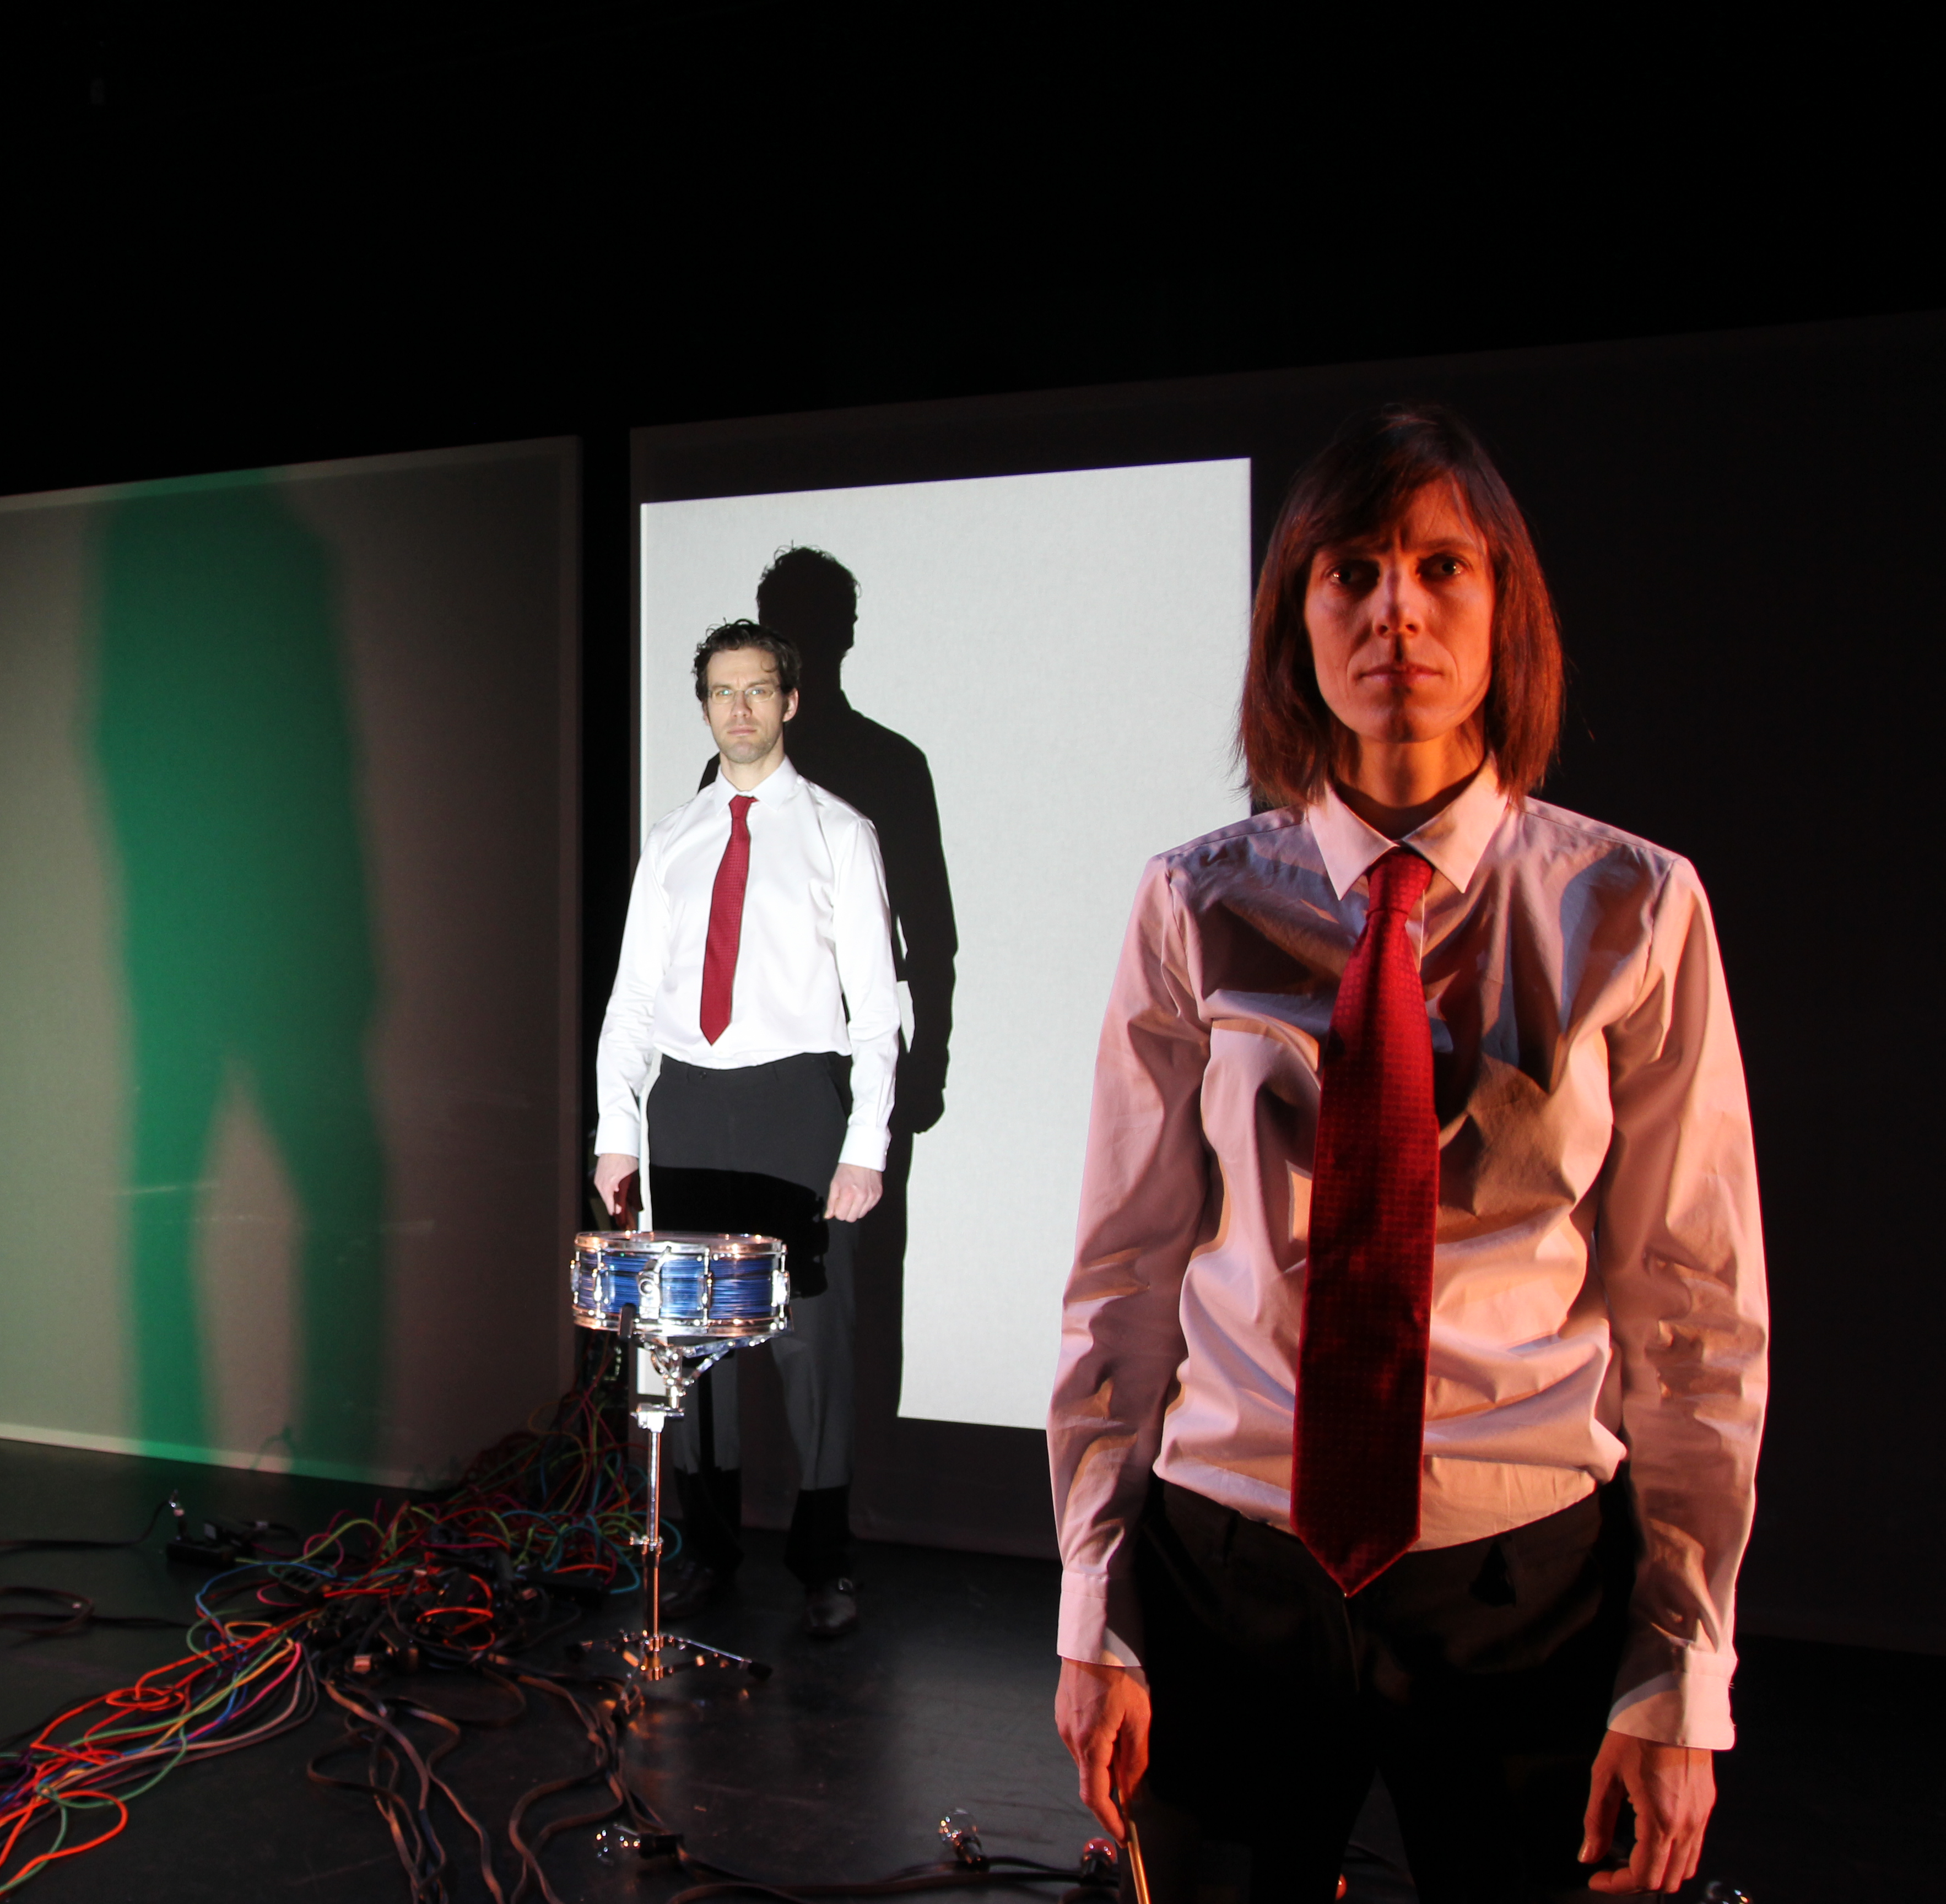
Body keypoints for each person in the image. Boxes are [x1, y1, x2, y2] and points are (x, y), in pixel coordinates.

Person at [1047, 405, 1765, 1903]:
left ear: (1506, 608)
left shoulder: (1635, 910)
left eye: (1443, 567)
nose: (1397, 612)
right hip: (1228, 1571)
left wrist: (1680, 1672)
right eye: (1352, 572)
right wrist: (1095, 1609)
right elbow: (1124, 1275)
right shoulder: (1195, 905)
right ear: (1294, 620)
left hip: (1526, 1592)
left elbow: (1695, 1315)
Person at [594, 620, 901, 1637]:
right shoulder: (674, 840)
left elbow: (878, 1008)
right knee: (690, 1341)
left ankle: (825, 1563)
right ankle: (709, 1553)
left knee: (812, 1344)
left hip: (793, 1103)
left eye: (758, 689)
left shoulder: (839, 833)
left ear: (790, 702)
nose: (740, 708)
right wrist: (616, 1130)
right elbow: (633, 1001)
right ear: (705, 706)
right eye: (723, 692)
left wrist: (864, 1145)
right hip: (688, 1101)